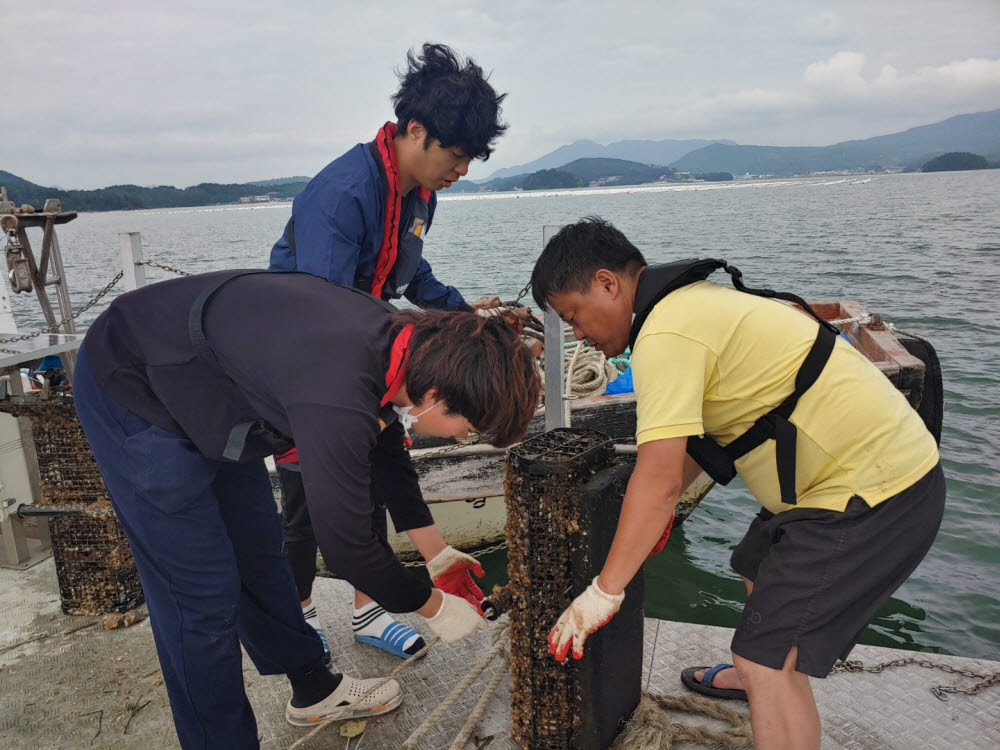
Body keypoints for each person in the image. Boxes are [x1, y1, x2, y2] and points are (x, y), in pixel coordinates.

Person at [73, 269, 540, 749]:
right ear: (438, 396)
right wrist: (434, 607)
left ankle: (314, 688)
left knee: (260, 552)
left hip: (216, 385)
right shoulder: (337, 388)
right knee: (199, 598)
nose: (464, 438)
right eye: (469, 428)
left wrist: (437, 555)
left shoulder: (402, 346)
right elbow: (347, 549)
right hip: (135, 380)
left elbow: (388, 456)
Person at [530, 218, 944, 750]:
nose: (578, 334)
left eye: (573, 317)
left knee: (762, 657)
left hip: (878, 493)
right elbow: (695, 451)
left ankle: (763, 676)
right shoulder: (688, 305)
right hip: (851, 478)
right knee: (755, 563)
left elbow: (656, 480)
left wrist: (603, 593)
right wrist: (653, 522)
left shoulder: (665, 332)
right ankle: (764, 679)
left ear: (608, 284)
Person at [268, 42, 509, 660]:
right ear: (416, 130)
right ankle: (295, 614)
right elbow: (323, 308)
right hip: (307, 364)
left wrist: (462, 314)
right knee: (306, 503)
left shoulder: (422, 194)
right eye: (455, 155)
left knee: (376, 478)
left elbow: (411, 273)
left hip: (372, 356)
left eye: (470, 159)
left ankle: (366, 608)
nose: (461, 170)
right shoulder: (342, 193)